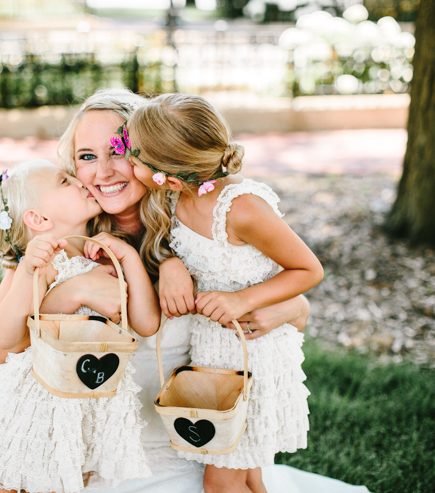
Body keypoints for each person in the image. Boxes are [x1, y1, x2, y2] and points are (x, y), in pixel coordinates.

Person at [0, 89, 370, 493]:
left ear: (154, 156)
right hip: (87, 443)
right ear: (71, 168)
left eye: (120, 152)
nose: (102, 171)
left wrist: (281, 305)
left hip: (179, 441)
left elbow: (290, 301)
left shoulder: (195, 227)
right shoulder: (65, 236)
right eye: (86, 156)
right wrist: (70, 290)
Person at [120, 93, 324, 493]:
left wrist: (242, 300)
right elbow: (166, 244)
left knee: (220, 482)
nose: (127, 162)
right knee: (245, 473)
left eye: (133, 157)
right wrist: (170, 263)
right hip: (214, 351)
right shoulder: (176, 197)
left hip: (252, 355)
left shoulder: (240, 208)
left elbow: (308, 269)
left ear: (170, 177)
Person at [0, 159, 159, 493]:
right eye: (65, 181)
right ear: (39, 219)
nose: (79, 181)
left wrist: (129, 259)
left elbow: (147, 324)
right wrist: (28, 275)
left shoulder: (107, 254)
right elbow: (3, 342)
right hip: (25, 409)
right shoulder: (40, 264)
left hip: (84, 408)